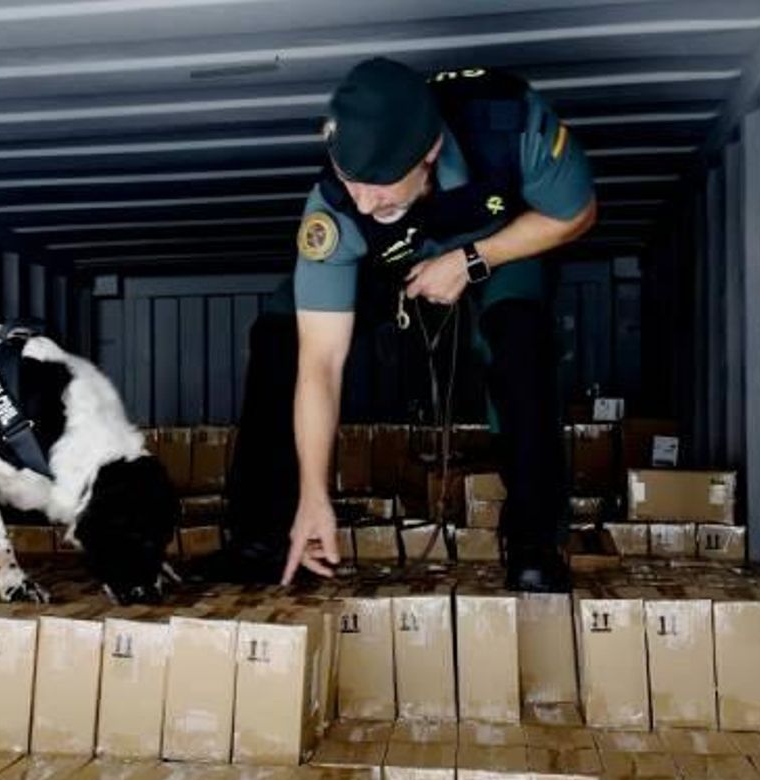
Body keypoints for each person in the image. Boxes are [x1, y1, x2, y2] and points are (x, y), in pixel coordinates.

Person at [218, 57, 597, 591]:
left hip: (499, 247)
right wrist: (313, 493)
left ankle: (535, 543)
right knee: (281, 335)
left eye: (380, 185)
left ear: (430, 153)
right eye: (352, 181)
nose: (364, 201)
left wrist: (471, 260)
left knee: (521, 338)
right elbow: (320, 363)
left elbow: (576, 214)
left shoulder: (511, 127)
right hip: (386, 264)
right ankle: (263, 540)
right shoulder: (337, 209)